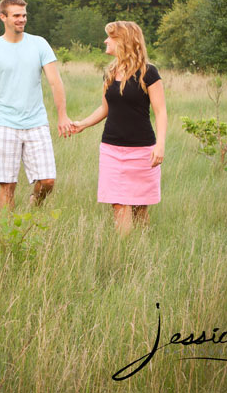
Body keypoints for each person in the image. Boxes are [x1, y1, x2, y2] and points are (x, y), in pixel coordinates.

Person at [69, 21, 167, 235]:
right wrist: (82, 124)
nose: (106, 41)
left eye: (111, 37)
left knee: (140, 207)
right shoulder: (111, 72)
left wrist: (160, 146)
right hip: (111, 149)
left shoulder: (149, 73)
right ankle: (123, 253)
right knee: (118, 205)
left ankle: (141, 249)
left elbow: (160, 112)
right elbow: (105, 108)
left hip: (142, 151)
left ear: (124, 41)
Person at [0, 0, 71, 211]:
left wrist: (62, 115)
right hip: (5, 124)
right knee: (7, 185)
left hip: (37, 122)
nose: (22, 19)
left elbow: (55, 82)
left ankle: (33, 206)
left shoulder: (39, 44)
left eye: (24, 15)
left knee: (48, 180)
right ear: (3, 17)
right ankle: (7, 237)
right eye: (16, 15)